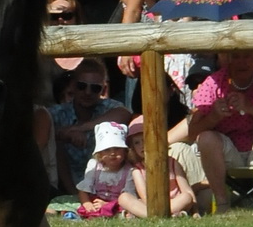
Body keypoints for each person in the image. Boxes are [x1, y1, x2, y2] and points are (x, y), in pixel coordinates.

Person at [186, 50, 253, 213]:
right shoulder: (213, 82)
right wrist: (213, 117)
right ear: (227, 59)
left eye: (247, 55)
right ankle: (222, 205)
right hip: (228, 152)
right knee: (206, 137)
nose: (242, 62)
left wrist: (251, 108)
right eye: (236, 56)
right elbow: (192, 132)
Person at [49, 58, 132, 192]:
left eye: (95, 88)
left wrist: (79, 128)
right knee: (56, 144)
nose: (88, 92)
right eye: (82, 86)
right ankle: (73, 193)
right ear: (73, 86)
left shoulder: (109, 108)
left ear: (103, 90)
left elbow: (125, 114)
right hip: (66, 183)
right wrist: (65, 135)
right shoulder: (58, 112)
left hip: (105, 183)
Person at [119, 115, 196, 218]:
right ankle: (159, 215)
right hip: (149, 205)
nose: (142, 145)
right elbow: (145, 197)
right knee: (124, 198)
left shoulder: (172, 163)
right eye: (137, 143)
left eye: (145, 140)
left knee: (186, 197)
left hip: (174, 202)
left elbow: (187, 190)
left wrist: (196, 211)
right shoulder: (137, 170)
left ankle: (150, 215)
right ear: (133, 148)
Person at [76, 121, 135, 217]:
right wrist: (87, 203)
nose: (112, 153)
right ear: (100, 153)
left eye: (117, 148)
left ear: (125, 151)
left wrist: (108, 205)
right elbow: (83, 190)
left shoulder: (129, 170)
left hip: (118, 204)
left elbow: (129, 196)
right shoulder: (94, 165)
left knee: (126, 211)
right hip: (95, 201)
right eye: (107, 150)